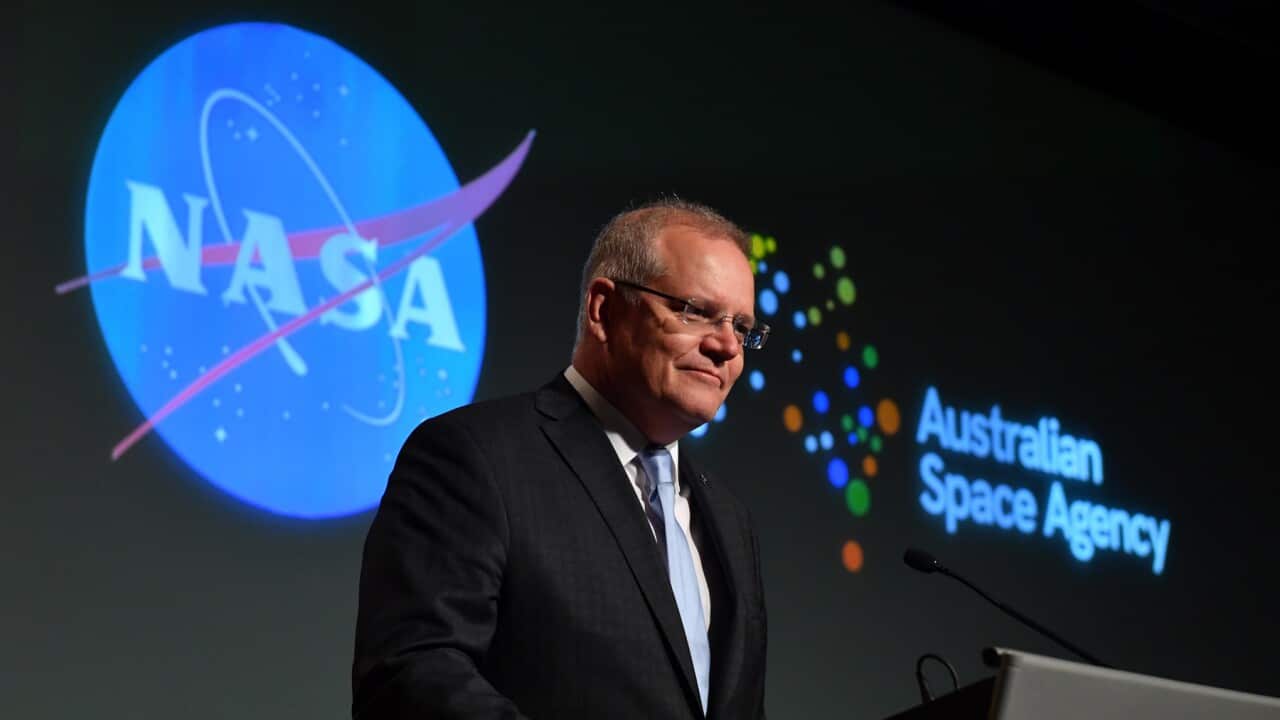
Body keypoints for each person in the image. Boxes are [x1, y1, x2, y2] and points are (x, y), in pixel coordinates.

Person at [352, 199, 770, 719]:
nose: (728, 346)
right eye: (695, 311)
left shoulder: (728, 520)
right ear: (603, 310)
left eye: (743, 326)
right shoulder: (474, 457)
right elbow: (411, 675)